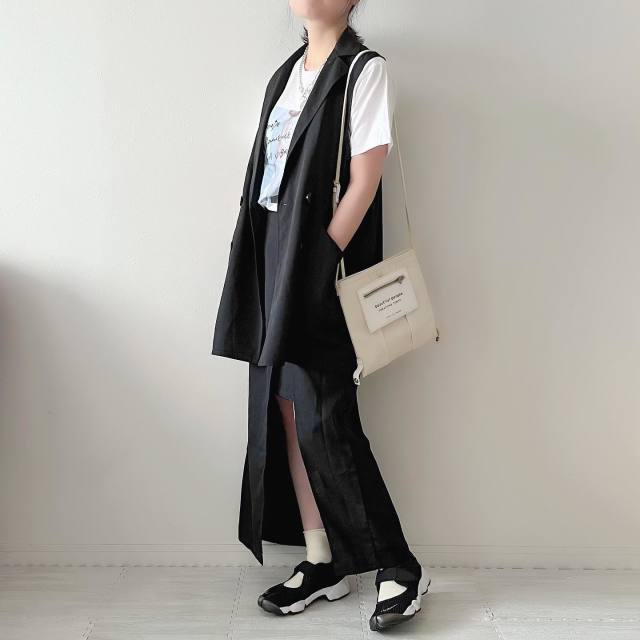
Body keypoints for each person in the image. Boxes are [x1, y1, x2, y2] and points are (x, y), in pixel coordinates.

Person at [211, 1, 431, 632]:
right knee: (282, 407)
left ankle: (399, 567)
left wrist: (320, 257)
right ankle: (322, 558)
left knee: (325, 415)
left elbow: (365, 179)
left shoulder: (364, 69)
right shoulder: (285, 74)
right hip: (268, 253)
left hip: (317, 258)